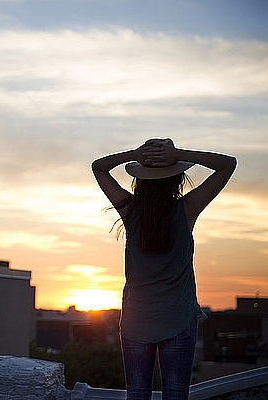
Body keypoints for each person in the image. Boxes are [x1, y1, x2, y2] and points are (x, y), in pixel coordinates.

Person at [91, 138, 237, 400]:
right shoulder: (187, 209)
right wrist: (177, 154)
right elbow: (228, 165)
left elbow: (99, 167)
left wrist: (135, 154)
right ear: (177, 179)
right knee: (176, 395)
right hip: (178, 318)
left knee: (137, 395)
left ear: (140, 180)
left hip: (136, 319)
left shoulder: (129, 209)